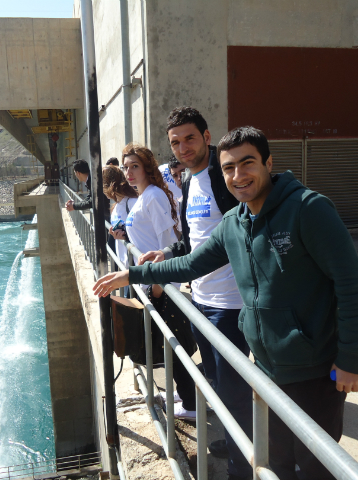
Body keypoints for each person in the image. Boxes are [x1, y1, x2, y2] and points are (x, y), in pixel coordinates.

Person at [94, 126, 358, 480]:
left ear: (268, 162)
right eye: (228, 168)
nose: (238, 176)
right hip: (267, 369)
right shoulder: (234, 223)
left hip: (315, 368)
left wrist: (352, 359)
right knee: (276, 460)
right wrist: (132, 275)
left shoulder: (308, 209)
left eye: (248, 163)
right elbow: (191, 262)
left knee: (317, 465)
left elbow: (352, 286)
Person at [140, 106, 251, 480]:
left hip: (232, 304)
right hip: (201, 300)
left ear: (206, 136)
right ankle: (235, 442)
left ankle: (242, 465)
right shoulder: (188, 180)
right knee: (219, 385)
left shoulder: (225, 178)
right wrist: (168, 253)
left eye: (190, 138)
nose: (183, 147)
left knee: (235, 391)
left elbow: (250, 233)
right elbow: (193, 241)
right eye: (175, 142)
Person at [121, 143, 197, 420]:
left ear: (147, 167)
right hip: (153, 283)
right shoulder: (144, 196)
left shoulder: (152, 196)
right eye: (125, 167)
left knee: (176, 344)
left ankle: (191, 405)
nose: (129, 172)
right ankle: (184, 394)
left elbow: (169, 242)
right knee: (170, 343)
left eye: (135, 166)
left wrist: (157, 285)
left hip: (161, 284)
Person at [102, 165, 138, 270]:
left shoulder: (132, 203)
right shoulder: (116, 206)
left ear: (110, 185)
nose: (103, 191)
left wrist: (125, 235)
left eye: (103, 187)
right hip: (123, 265)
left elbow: (143, 232)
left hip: (134, 266)